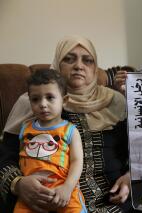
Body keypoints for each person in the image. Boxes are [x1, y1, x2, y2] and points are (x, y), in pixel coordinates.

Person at [0, 35, 131, 212]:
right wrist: (18, 183)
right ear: (57, 65)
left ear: (95, 69)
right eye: (69, 59)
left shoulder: (116, 100)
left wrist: (130, 178)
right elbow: (5, 155)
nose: (78, 66)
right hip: (47, 201)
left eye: (88, 60)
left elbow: (138, 152)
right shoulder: (31, 103)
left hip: (113, 201)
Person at [14, 69, 86, 212]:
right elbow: (20, 157)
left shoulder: (70, 130)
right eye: (35, 99)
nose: (42, 104)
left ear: (64, 100)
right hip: (32, 192)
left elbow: (77, 161)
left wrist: (68, 187)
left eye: (50, 97)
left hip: (63, 190)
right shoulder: (25, 129)